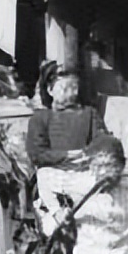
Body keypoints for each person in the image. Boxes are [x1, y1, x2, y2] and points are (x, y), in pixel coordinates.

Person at [26, 71, 109, 220]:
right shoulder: (41, 118)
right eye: (64, 88)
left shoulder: (89, 114)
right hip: (55, 172)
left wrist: (90, 153)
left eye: (74, 88)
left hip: (84, 170)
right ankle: (58, 216)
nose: (70, 93)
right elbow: (37, 154)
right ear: (50, 91)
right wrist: (68, 155)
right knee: (43, 175)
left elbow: (101, 140)